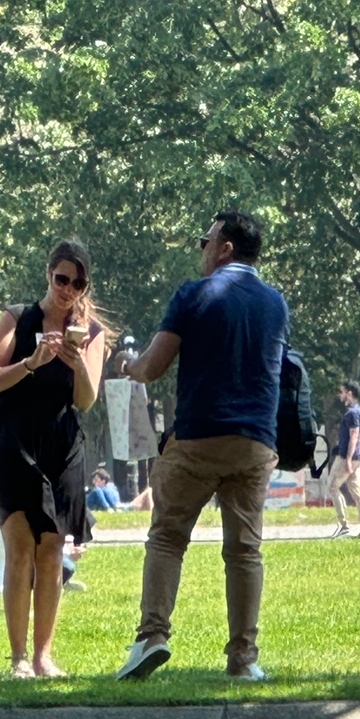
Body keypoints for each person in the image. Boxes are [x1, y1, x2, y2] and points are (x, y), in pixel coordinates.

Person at [116, 210, 288, 682]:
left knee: (168, 538)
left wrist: (127, 363)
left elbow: (152, 367)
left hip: (198, 437)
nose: (202, 248)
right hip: (255, 441)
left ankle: (152, 636)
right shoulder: (275, 303)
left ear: (225, 247)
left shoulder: (194, 295)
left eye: (205, 240)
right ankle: (243, 659)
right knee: (244, 551)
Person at [0, 239, 109, 678]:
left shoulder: (90, 332)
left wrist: (76, 364)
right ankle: (18, 658)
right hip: (12, 441)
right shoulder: (16, 319)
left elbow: (87, 400)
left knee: (52, 550)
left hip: (62, 447)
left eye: (78, 283)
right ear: (48, 274)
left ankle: (43, 656)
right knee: (20, 547)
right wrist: (32, 362)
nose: (68, 289)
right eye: (62, 279)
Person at [328, 381, 360, 539]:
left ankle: (344, 525)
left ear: (350, 393)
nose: (340, 395)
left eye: (342, 392)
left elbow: (354, 436)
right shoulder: (355, 411)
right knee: (358, 492)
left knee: (332, 486)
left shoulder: (352, 413)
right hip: (356, 457)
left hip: (349, 457)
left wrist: (347, 458)